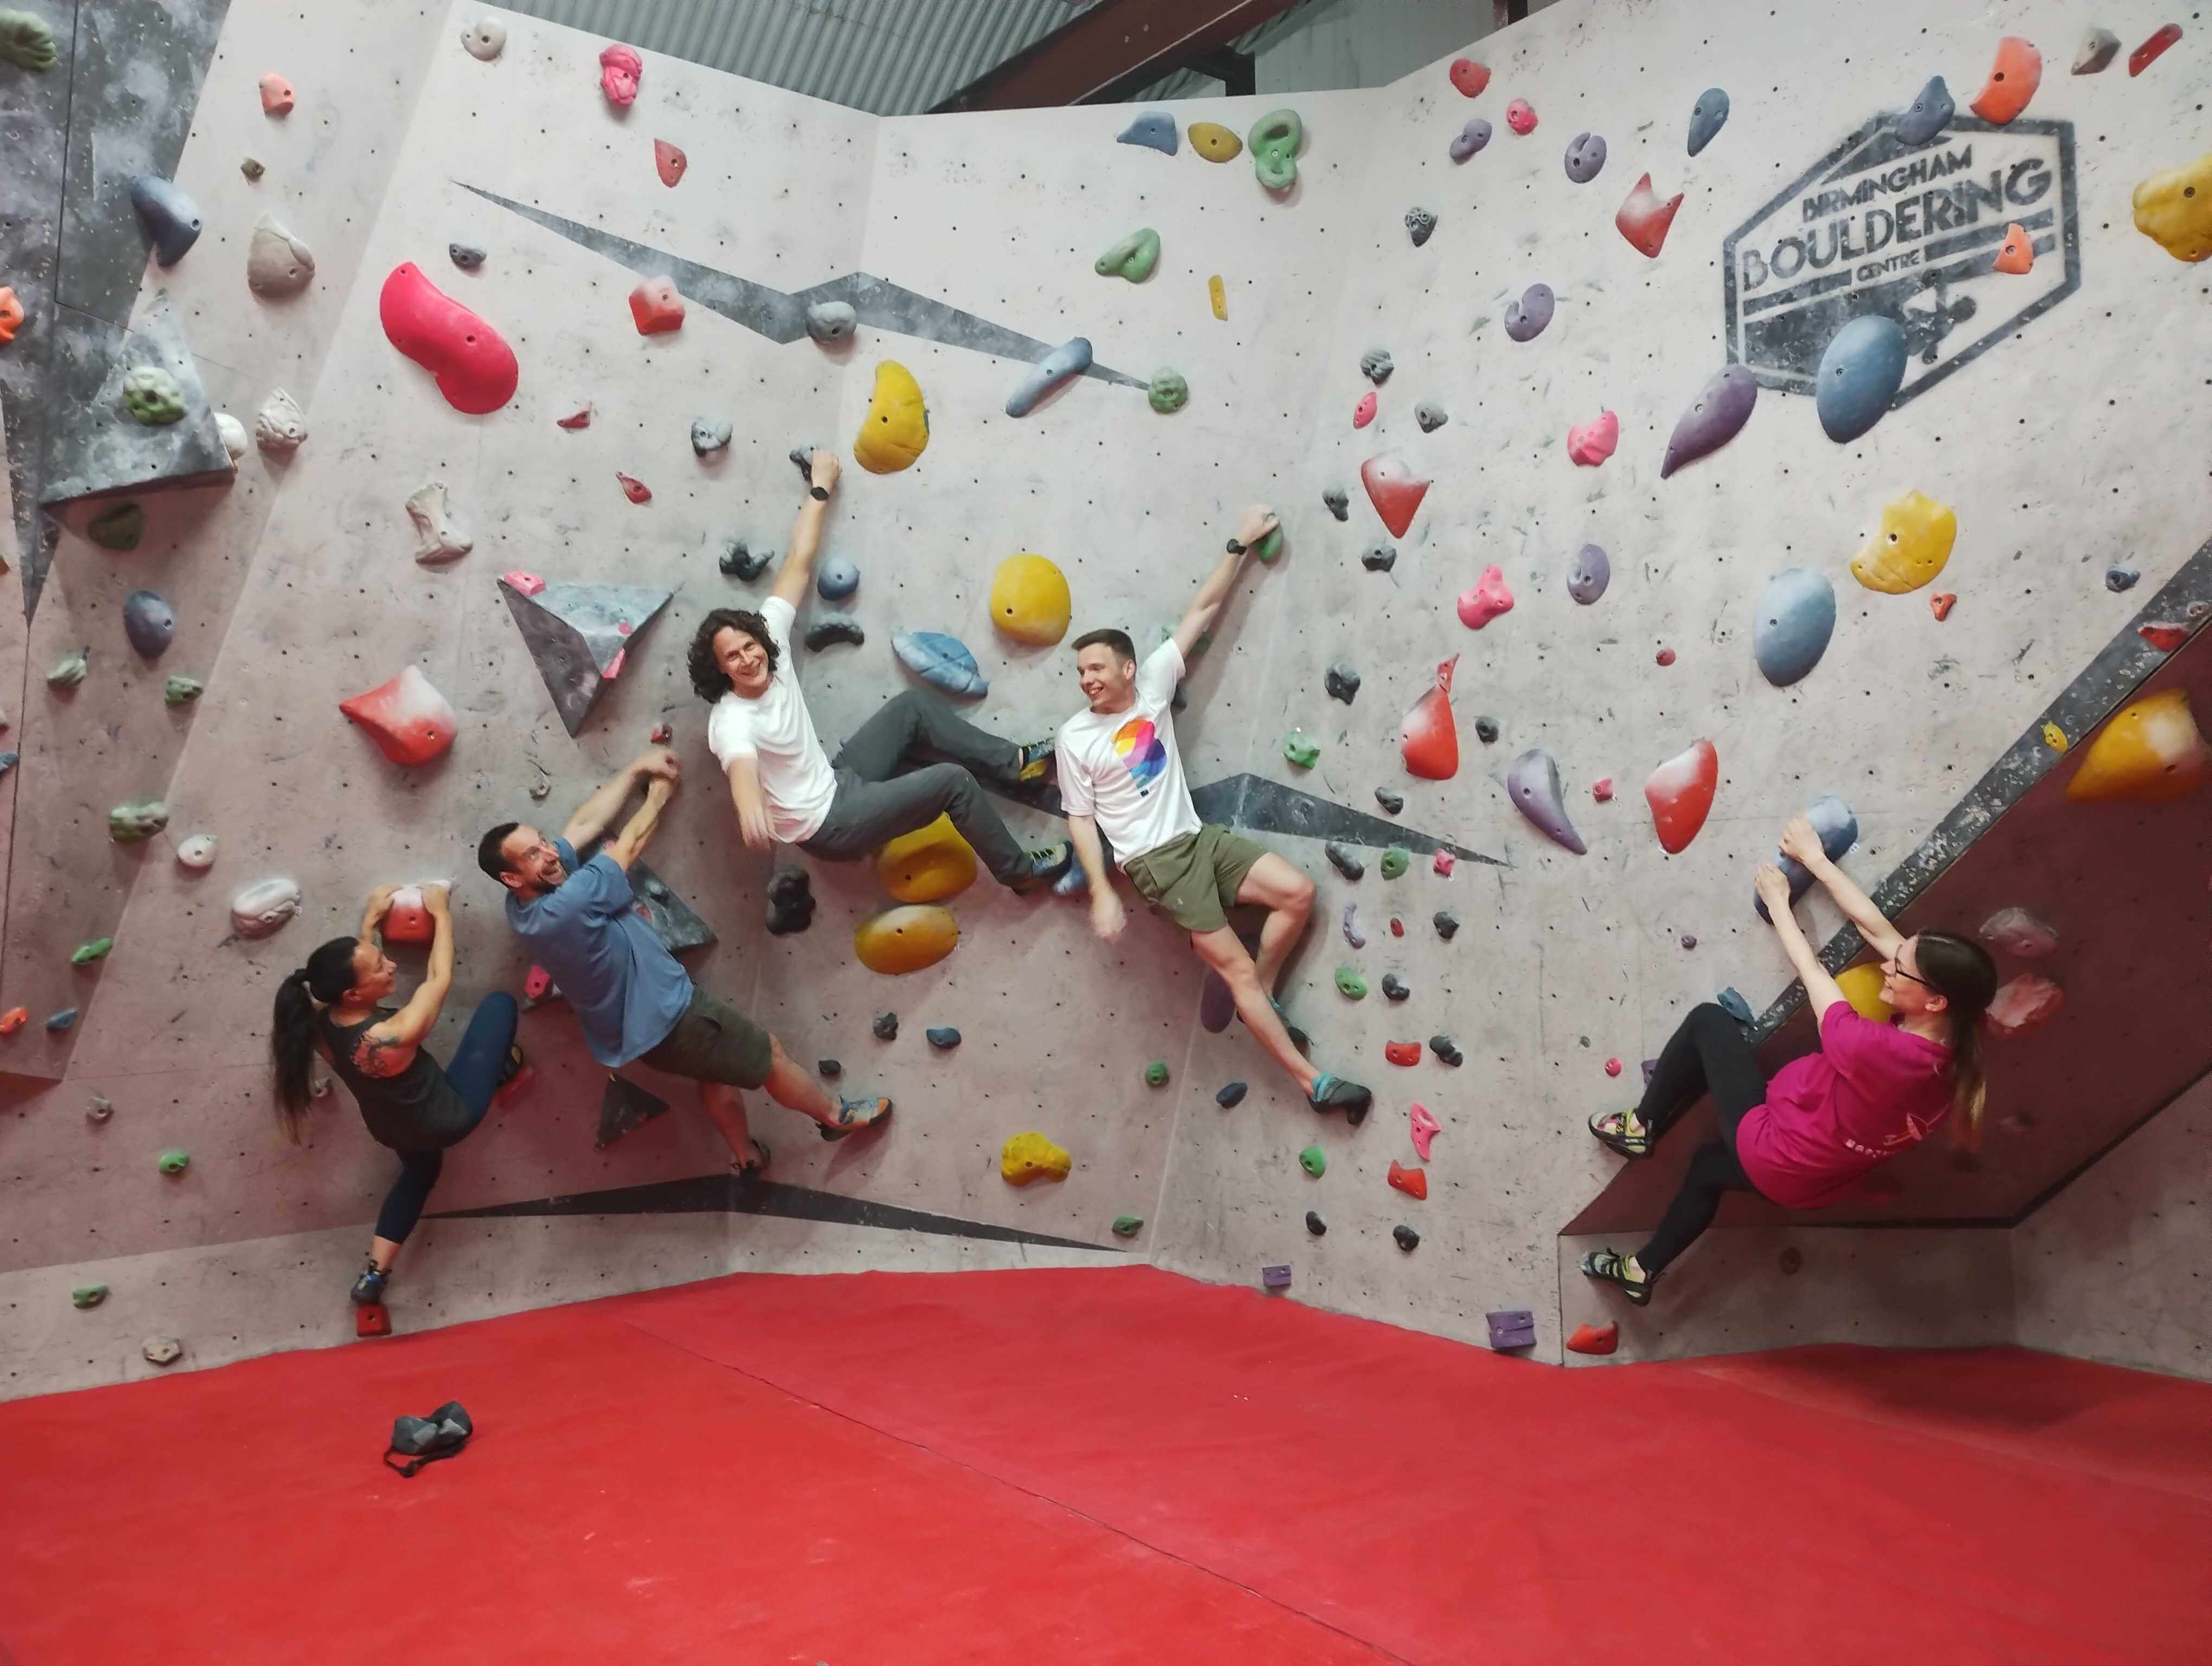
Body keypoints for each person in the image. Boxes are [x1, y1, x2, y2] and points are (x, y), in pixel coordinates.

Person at [1579, 814, 1998, 1304]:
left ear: (1934, 1001)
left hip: (1774, 1147)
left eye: (1899, 969)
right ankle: (1640, 1270)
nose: (1887, 965)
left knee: (1709, 1023)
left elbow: (1810, 969)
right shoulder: (1961, 1032)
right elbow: (1875, 926)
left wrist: (1779, 902)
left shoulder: (1876, 1050)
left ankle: (1639, 1126)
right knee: (1708, 1167)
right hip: (1806, 1182)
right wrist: (1816, 860)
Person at [1057, 505, 1372, 1122]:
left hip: (1198, 840)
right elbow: (1078, 819)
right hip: (1158, 867)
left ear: (1126, 666)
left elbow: (1201, 612)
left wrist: (1240, 544)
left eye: (1095, 668)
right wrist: (1100, 889)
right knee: (1236, 974)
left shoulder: (1151, 684)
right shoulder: (1075, 738)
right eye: (1079, 673)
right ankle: (1315, 1084)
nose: (1086, 681)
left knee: (1298, 893)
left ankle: (1266, 992)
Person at [478, 746, 889, 1171]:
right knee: (770, 1056)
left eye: (542, 842)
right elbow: (630, 843)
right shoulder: (568, 904)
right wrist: (659, 794)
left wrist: (635, 768)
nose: (549, 854)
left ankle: (745, 1157)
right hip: (674, 1017)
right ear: (511, 877)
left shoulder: (524, 906)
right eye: (533, 854)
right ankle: (834, 1116)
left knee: (713, 1073)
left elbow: (584, 824)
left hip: (642, 1033)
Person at [692, 447, 1069, 890]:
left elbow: (798, 562)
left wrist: (821, 487)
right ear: (720, 670)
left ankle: (1014, 762)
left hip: (835, 781)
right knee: (954, 783)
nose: (748, 659)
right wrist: (748, 805)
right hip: (829, 825)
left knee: (912, 709)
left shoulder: (770, 640)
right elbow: (740, 764)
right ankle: (1020, 873)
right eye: (732, 658)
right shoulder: (731, 719)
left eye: (749, 647)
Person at [269, 882, 520, 1309]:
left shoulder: (315, 1022)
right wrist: (442, 914)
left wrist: (370, 922)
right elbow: (438, 979)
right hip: (450, 1115)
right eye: (380, 966)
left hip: (393, 1129)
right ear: (353, 993)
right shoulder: (392, 1035)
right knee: (500, 1007)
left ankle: (374, 1274)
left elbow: (352, 980)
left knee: (421, 1174)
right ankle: (504, 1071)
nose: (391, 964)